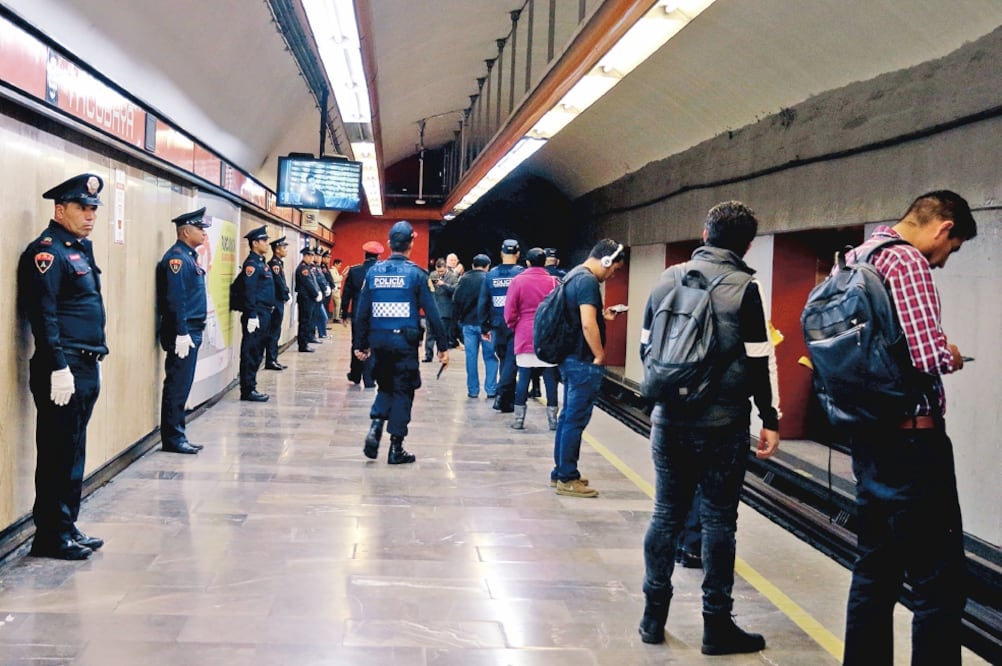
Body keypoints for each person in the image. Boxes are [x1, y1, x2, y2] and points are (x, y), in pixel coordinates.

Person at [637, 201, 780, 654]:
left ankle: (652, 618)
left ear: (704, 233)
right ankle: (716, 625)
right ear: (748, 244)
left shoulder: (666, 279)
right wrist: (769, 418)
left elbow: (646, 349)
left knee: (665, 513)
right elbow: (758, 362)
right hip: (723, 422)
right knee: (719, 520)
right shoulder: (746, 288)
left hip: (670, 418)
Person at [840, 191, 976, 666]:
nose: (942, 261)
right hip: (913, 442)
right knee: (938, 579)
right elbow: (925, 355)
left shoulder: (856, 258)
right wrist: (951, 353)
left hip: (868, 437)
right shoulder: (906, 262)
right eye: (951, 248)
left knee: (875, 568)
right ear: (943, 228)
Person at [17, 173, 109, 559]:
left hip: (85, 363)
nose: (90, 216)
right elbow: (44, 314)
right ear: (60, 210)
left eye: (93, 210)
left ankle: (66, 526)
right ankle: (50, 537)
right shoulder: (47, 252)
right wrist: (58, 366)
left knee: (73, 452)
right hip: (64, 367)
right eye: (82, 208)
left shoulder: (79, 249)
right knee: (57, 452)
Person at [353, 221, 448, 464]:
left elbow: (362, 312)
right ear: (411, 244)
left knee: (385, 386)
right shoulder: (417, 275)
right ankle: (396, 448)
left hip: (379, 342)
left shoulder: (374, 273)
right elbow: (433, 313)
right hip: (405, 344)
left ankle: (376, 425)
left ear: (388, 244)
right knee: (404, 391)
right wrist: (443, 348)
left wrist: (360, 345)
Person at [550, 239, 626, 498]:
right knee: (575, 419)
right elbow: (586, 325)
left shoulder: (573, 275)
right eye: (614, 269)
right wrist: (600, 354)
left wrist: (604, 317)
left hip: (570, 358)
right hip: (582, 361)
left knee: (567, 417)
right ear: (606, 261)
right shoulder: (588, 281)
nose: (612, 274)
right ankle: (567, 477)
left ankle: (560, 471)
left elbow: (580, 318)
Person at [156, 207, 211, 455]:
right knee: (177, 387)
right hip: (183, 332)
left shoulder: (189, 257)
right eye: (200, 228)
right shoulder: (177, 259)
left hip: (191, 330)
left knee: (183, 385)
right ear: (186, 231)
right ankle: (173, 438)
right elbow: (175, 299)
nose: (204, 233)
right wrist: (180, 332)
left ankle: (179, 433)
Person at [504, 247, 561, 430]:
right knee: (550, 378)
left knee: (524, 377)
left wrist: (515, 326)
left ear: (527, 262)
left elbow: (510, 312)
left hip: (525, 333)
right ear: (544, 262)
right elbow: (560, 309)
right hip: (548, 336)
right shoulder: (554, 282)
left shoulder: (518, 281)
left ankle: (519, 420)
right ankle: (553, 421)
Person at [478, 239, 523, 412]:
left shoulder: (491, 275)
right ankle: (501, 395)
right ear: (518, 254)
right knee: (511, 362)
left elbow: (483, 302)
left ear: (501, 253)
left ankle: (506, 400)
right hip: (516, 324)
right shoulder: (521, 274)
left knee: (505, 360)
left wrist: (484, 326)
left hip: (497, 324)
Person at [237, 225, 275, 401]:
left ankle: (251, 385)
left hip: (264, 312)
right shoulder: (251, 264)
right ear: (255, 243)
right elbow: (249, 291)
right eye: (264, 241)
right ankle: (247, 389)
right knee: (251, 351)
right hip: (257, 313)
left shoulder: (261, 262)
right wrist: (251, 314)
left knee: (258, 351)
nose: (267, 244)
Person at [452, 253, 497, 399]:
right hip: (486, 326)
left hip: (468, 325)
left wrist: (457, 322)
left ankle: (473, 390)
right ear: (487, 266)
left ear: (472, 265)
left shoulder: (464, 279)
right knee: (490, 357)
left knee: (471, 358)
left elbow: (456, 300)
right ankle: (491, 389)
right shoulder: (489, 279)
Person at [342, 241, 383, 387]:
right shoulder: (382, 271)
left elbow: (346, 294)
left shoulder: (354, 271)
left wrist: (343, 314)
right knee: (372, 343)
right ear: (378, 256)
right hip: (377, 314)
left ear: (365, 255)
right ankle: (369, 379)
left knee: (357, 342)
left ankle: (355, 374)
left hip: (358, 314)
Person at [264, 236, 291, 370]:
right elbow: (279, 282)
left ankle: (273, 358)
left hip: (278, 300)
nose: (286, 250)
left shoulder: (279, 263)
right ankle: (270, 360)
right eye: (283, 248)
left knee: (276, 331)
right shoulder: (274, 264)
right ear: (277, 250)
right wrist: (286, 294)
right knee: (273, 331)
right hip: (275, 301)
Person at [424, 258, 457, 360]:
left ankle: (441, 353)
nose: (440, 273)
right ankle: (428, 355)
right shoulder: (432, 275)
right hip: (433, 307)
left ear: (446, 268)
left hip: (445, 309)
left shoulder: (453, 277)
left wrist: (443, 284)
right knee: (430, 333)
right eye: (438, 271)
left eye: (442, 271)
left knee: (442, 334)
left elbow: (455, 290)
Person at [294, 246, 321, 353]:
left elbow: (313, 282)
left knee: (307, 321)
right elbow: (308, 283)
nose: (311, 258)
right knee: (304, 321)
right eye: (309, 255)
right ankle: (303, 345)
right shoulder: (303, 268)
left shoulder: (308, 267)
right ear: (304, 256)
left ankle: (304, 343)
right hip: (305, 298)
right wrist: (315, 294)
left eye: (312, 255)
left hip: (309, 299)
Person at [330, 257, 344, 322]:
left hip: (337, 290)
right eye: (339, 265)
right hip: (335, 290)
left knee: (336, 305)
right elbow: (336, 279)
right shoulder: (332, 271)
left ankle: (335, 317)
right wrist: (342, 276)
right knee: (338, 304)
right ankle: (336, 318)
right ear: (335, 264)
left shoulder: (335, 271)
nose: (340, 266)